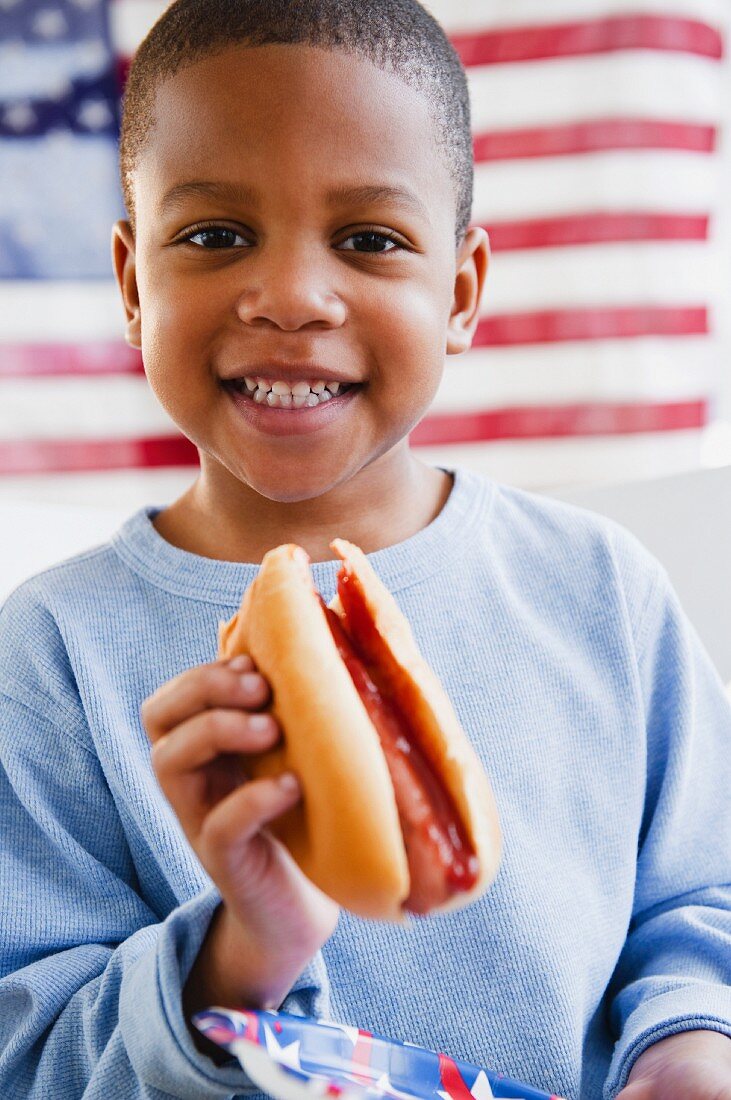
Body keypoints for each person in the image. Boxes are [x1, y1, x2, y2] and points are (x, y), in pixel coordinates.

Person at [1, 1, 730, 1096]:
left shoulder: (600, 586)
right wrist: (246, 944)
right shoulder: (47, 654)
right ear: (131, 284)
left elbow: (696, 894)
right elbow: (32, 1055)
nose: (291, 296)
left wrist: (684, 1045)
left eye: (369, 239)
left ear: (462, 290)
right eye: (212, 235)